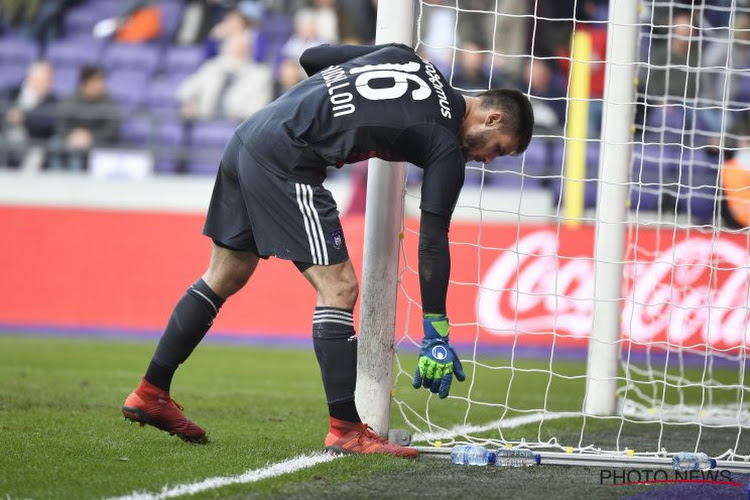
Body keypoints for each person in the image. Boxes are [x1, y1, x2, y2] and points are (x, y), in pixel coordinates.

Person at [122, 43, 534, 457]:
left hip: (251, 134)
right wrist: (436, 328)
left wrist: (345, 106)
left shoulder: (406, 57)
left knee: (227, 273)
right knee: (339, 288)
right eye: (496, 148)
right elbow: (431, 240)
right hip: (287, 157)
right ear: (491, 116)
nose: (487, 160)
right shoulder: (444, 141)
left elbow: (314, 57)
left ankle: (150, 392)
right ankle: (346, 429)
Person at [177, 31, 273, 122]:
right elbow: (185, 90)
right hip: (204, 122)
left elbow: (258, 110)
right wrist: (189, 103)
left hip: (238, 127)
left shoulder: (260, 74)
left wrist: (238, 115)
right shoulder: (211, 67)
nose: (237, 50)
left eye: (242, 47)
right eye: (233, 46)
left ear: (250, 50)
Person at [47, 65, 119, 171]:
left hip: (96, 141)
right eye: (97, 80)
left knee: (77, 153)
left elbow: (112, 129)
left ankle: (75, 184)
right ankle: (55, 176)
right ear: (86, 82)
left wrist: (90, 137)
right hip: (69, 138)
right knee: (55, 144)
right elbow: (61, 123)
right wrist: (72, 136)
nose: (101, 84)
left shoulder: (109, 101)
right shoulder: (70, 98)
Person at [1, 60, 57, 169]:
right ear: (32, 78)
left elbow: (50, 124)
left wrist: (24, 118)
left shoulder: (51, 100)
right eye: (47, 79)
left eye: (50, 79)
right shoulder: (10, 93)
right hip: (5, 136)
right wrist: (9, 116)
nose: (50, 83)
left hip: (33, 141)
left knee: (36, 153)